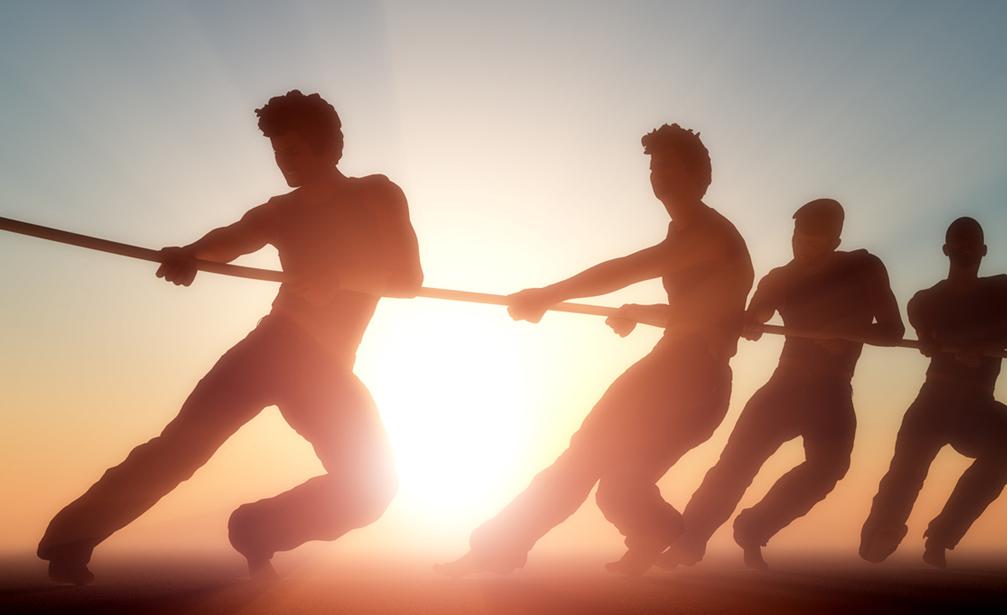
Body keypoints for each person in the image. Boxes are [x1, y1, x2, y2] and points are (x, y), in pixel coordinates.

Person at [37, 90, 423, 585]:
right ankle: (69, 541)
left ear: (331, 148)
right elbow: (231, 239)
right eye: (279, 154)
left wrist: (339, 278)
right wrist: (191, 254)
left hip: (325, 369)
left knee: (372, 487)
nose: (285, 164)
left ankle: (256, 530)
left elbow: (408, 278)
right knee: (180, 448)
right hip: (274, 346)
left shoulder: (376, 194)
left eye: (295, 153)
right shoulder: (280, 211)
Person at [439, 124, 753, 577]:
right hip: (680, 372)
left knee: (590, 464)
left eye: (671, 166)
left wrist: (547, 296)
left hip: (690, 379)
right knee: (615, 485)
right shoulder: (685, 233)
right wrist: (641, 312)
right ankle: (660, 534)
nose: (659, 174)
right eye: (654, 165)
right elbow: (702, 310)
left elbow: (629, 268)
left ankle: (500, 548)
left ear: (701, 177)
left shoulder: (708, 234)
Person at [659, 199, 903, 570]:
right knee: (735, 466)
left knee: (829, 469)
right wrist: (752, 322)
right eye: (798, 239)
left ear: (835, 242)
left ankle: (754, 529)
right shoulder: (780, 278)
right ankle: (688, 541)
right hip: (783, 388)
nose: (802, 249)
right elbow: (755, 316)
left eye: (814, 244)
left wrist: (849, 333)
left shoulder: (864, 268)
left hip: (832, 392)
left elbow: (892, 331)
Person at [858, 216, 1007, 569]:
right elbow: (926, 330)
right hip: (935, 398)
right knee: (906, 470)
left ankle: (942, 535)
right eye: (958, 241)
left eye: (972, 242)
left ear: (984, 250)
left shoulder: (1004, 290)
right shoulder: (925, 301)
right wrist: (947, 342)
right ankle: (880, 534)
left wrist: (977, 344)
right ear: (946, 250)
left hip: (977, 402)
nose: (965, 247)